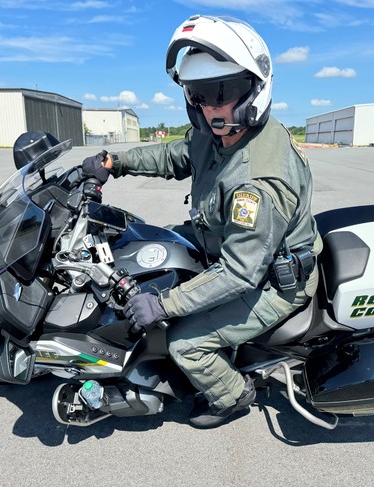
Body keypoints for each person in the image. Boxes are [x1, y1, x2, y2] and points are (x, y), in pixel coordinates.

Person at [82, 14, 322, 428]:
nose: (210, 105)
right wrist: (114, 162)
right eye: (199, 93)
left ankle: (233, 395)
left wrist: (163, 305)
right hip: (225, 240)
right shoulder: (221, 133)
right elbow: (173, 154)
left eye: (222, 91)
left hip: (272, 281)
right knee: (149, 245)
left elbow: (240, 272)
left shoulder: (257, 184)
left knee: (186, 343)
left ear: (254, 89)